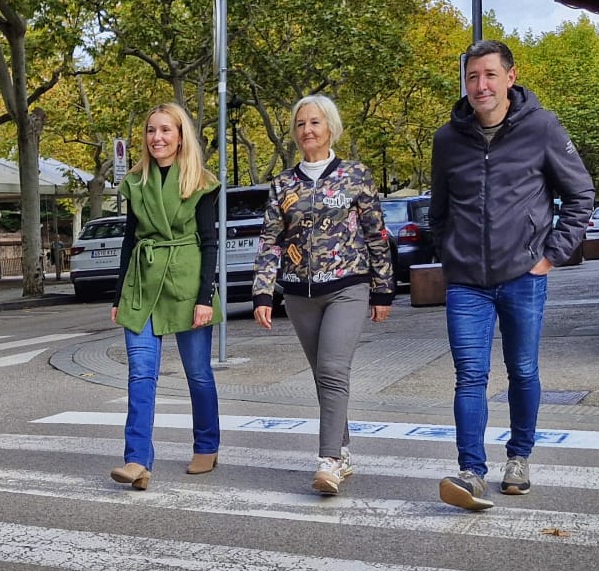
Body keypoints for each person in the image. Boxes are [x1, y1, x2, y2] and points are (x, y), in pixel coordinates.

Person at [429, 39, 594, 511]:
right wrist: (450, 257)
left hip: (523, 275)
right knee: (469, 376)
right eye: (472, 77)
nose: (480, 85)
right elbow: (438, 212)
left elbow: (581, 195)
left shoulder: (540, 128)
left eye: (489, 75)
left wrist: (549, 256)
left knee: (522, 370)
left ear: (510, 77)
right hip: (466, 283)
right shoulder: (447, 140)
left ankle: (519, 457)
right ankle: (471, 471)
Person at [250, 94, 394, 494]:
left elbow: (376, 235)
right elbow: (270, 241)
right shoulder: (283, 184)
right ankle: (343, 450)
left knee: (333, 369)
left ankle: (328, 460)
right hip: (298, 295)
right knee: (323, 374)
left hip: (348, 286)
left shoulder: (355, 175)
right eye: (300, 124)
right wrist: (263, 293)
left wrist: (384, 289)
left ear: (330, 126)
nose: (307, 130)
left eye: (314, 123)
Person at [108, 102, 222, 490]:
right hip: (142, 283)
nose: (156, 138)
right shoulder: (136, 182)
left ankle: (207, 446)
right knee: (140, 373)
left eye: (165, 130)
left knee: (198, 374)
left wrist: (205, 296)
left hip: (187, 283)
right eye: (151, 131)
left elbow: (210, 242)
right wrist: (117, 294)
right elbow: (128, 241)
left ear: (179, 135)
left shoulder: (201, 181)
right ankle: (137, 460)